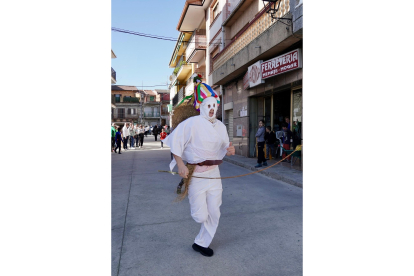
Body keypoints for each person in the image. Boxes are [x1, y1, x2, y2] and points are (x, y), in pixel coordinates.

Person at [163, 72, 235, 257]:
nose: (212, 109)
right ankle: (200, 231)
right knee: (200, 216)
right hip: (197, 175)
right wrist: (180, 164)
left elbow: (226, 144)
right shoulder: (191, 123)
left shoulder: (220, 126)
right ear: (202, 106)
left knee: (215, 213)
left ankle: (201, 243)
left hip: (214, 174)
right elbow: (176, 143)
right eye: (208, 106)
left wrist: (230, 149)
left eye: (214, 106)